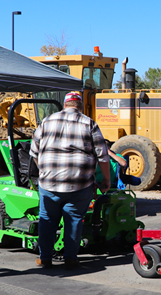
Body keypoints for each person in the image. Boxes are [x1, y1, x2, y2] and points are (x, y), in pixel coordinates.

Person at [30, 92, 111, 270]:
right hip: (79, 184)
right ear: (80, 106)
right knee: (74, 220)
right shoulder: (89, 123)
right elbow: (103, 156)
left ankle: (45, 259)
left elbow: (34, 151)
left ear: (65, 104)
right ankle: (70, 259)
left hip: (49, 184)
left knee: (47, 219)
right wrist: (106, 179)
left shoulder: (47, 121)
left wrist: (44, 170)